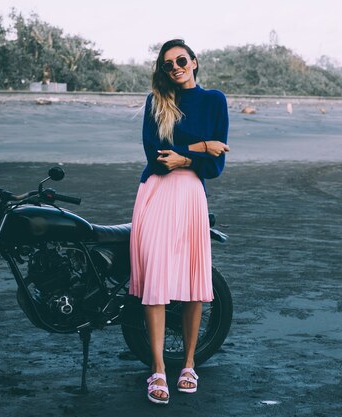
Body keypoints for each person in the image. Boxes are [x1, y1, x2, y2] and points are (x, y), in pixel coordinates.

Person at [129, 38, 230, 405]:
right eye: (168, 65)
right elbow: (156, 157)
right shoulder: (157, 101)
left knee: (192, 280)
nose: (175, 68)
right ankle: (157, 368)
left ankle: (188, 364)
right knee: (156, 279)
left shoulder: (214, 100)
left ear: (195, 61)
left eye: (181, 60)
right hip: (156, 192)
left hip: (190, 195)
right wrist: (201, 148)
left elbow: (216, 167)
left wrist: (185, 158)